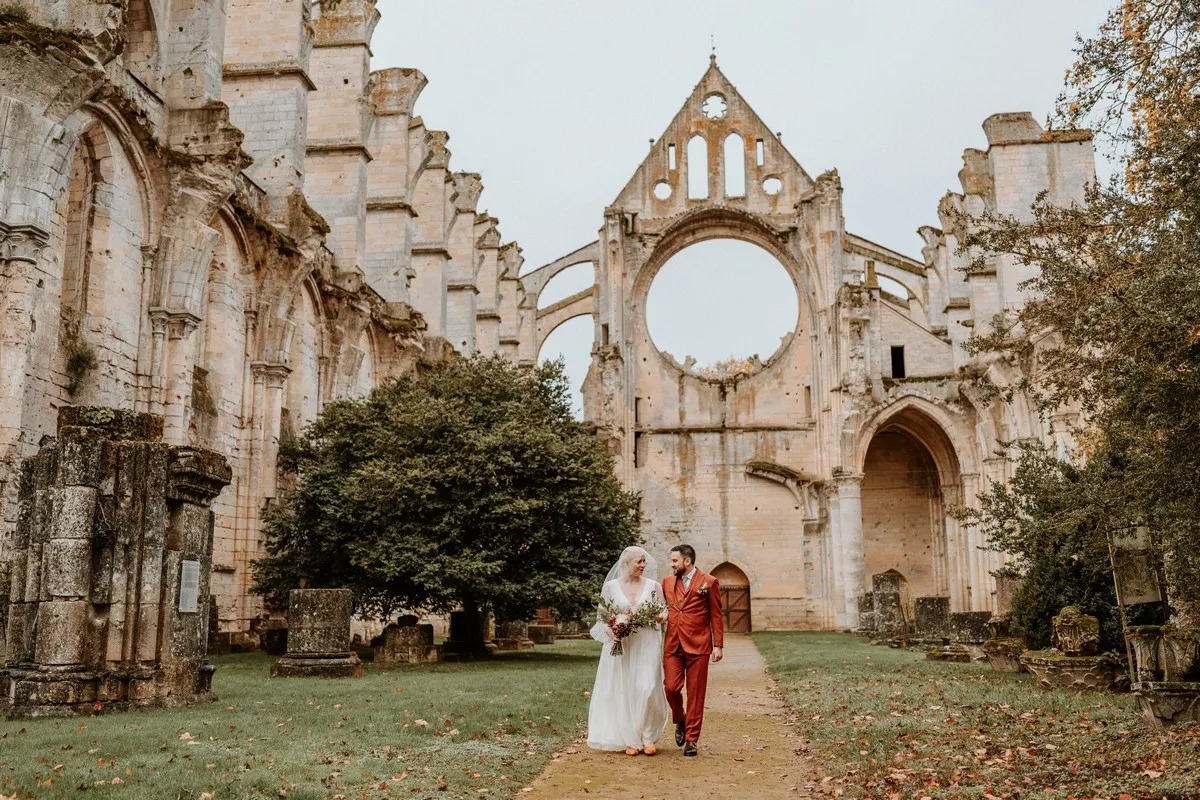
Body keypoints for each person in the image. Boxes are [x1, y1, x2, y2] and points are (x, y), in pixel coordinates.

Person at [587, 545, 670, 755]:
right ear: (626, 563)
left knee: (647, 687)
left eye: (644, 561)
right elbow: (602, 617)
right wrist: (613, 632)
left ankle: (648, 736)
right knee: (624, 688)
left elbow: (664, 611)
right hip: (622, 644)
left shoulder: (653, 586)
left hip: (646, 642)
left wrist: (660, 617)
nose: (643, 565)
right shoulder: (611, 587)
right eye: (639, 561)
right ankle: (630, 739)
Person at [662, 543, 723, 757]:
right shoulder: (667, 582)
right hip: (672, 644)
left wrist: (718, 645)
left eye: (675, 560)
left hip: (699, 644)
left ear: (687, 561)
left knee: (696, 694)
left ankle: (691, 739)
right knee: (671, 688)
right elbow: (664, 609)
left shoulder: (709, 582)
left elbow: (716, 615)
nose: (672, 564)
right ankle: (680, 719)